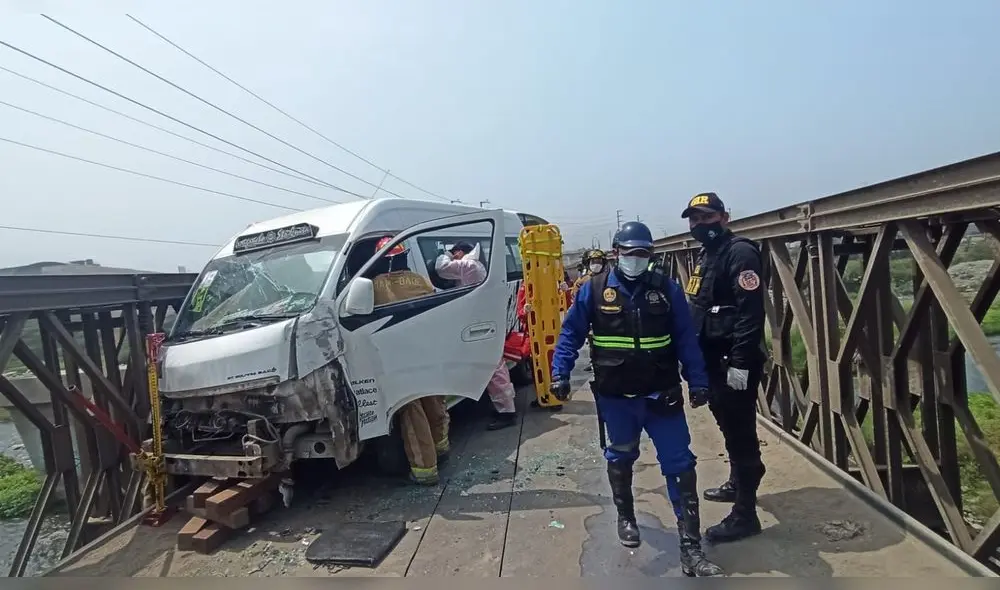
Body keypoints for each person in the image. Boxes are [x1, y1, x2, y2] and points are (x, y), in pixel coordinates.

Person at [548, 221, 723, 577]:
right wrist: (560, 372)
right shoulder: (594, 289)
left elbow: (686, 338)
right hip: (618, 397)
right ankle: (626, 516)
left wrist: (698, 381)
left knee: (681, 464)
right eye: (630, 253)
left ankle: (690, 547)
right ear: (617, 253)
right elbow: (571, 333)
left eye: (643, 253)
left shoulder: (666, 289)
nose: (636, 259)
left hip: (662, 395)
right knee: (621, 455)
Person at [681, 192, 767, 544]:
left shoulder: (740, 253)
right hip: (712, 360)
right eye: (695, 219)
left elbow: (750, 315)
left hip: (733, 361)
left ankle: (746, 515)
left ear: (724, 217)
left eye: (707, 217)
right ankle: (737, 482)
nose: (700, 224)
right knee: (728, 426)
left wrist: (741, 365)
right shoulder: (707, 254)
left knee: (741, 432)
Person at [371, 236, 450, 485]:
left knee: (411, 411)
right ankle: (441, 449)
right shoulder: (420, 279)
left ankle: (424, 470)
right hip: (427, 351)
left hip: (397, 358)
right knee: (434, 401)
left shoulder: (375, 285)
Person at [435, 241, 518, 430]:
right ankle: (505, 408)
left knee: (494, 369)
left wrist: (445, 254)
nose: (453, 257)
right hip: (482, 321)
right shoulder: (475, 265)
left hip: (480, 324)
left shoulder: (469, 265)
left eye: (454, 253)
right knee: (494, 368)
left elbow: (441, 268)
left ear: (460, 252)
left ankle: (507, 412)